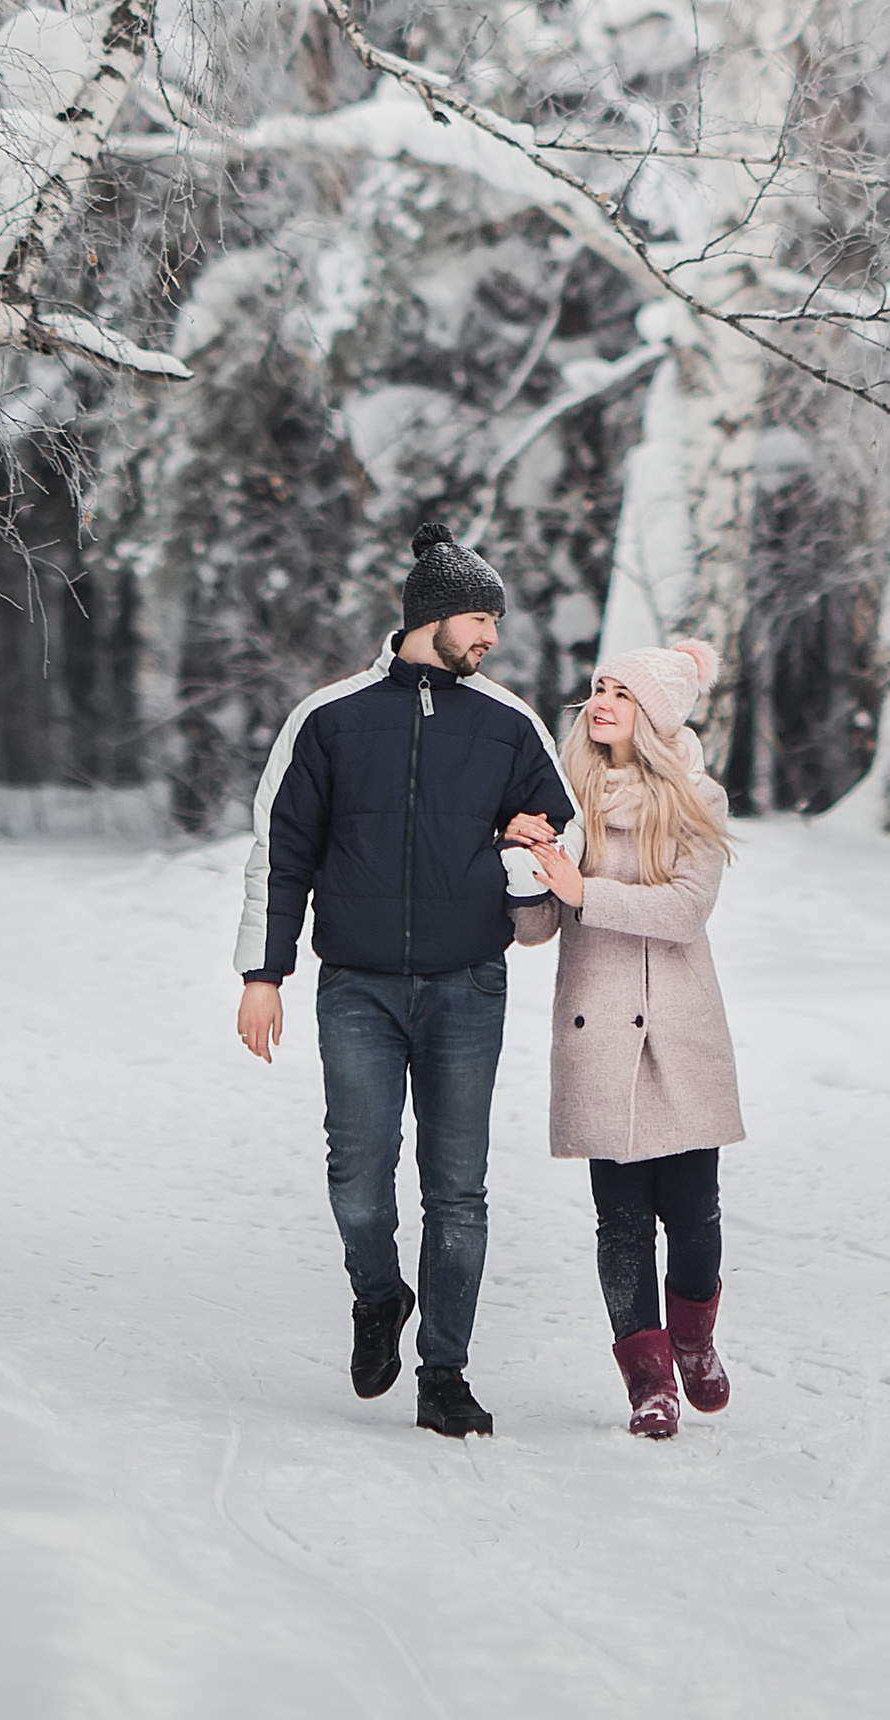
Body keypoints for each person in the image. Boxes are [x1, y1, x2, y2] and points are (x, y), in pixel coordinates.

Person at [234, 517, 574, 1440]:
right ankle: (379, 1297)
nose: (493, 638)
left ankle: (447, 1374)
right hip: (358, 988)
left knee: (457, 1188)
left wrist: (519, 858)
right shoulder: (332, 718)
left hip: (468, 986)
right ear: (434, 615)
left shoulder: (508, 724)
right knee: (358, 1174)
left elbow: (558, 832)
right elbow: (282, 849)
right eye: (481, 619)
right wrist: (265, 972)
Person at [506, 636, 744, 1440]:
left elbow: (683, 914)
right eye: (599, 687)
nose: (600, 701)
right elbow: (538, 928)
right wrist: (523, 865)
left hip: (679, 1032)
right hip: (598, 1029)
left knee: (695, 1212)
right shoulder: (567, 794)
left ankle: (695, 1338)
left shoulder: (696, 800)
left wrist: (587, 890)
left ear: (656, 713)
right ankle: (650, 1383)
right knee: (620, 1220)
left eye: (623, 692)